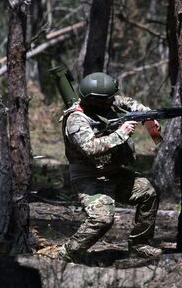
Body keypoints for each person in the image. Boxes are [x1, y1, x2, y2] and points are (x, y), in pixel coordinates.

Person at [57, 72, 163, 262]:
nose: (112, 101)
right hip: (89, 178)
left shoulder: (107, 102)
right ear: (94, 100)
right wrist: (121, 134)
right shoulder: (76, 120)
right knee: (102, 219)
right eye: (108, 98)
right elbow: (90, 148)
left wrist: (148, 116)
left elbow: (129, 103)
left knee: (148, 193)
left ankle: (140, 245)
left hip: (114, 173)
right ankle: (67, 254)